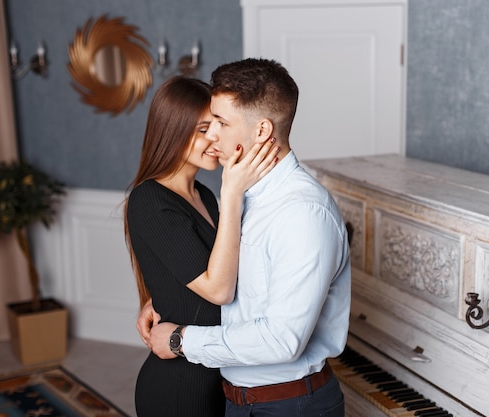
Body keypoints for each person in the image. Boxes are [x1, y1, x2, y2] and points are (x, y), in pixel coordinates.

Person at [138, 58, 352, 417]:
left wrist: (180, 340)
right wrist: (166, 298)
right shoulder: (242, 193)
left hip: (289, 406)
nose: (212, 135)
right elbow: (231, 283)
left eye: (221, 122)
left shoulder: (301, 213)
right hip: (237, 399)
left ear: (262, 130)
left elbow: (280, 340)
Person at [124, 75, 279, 417]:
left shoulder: (204, 195)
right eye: (201, 129)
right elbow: (220, 290)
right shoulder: (149, 199)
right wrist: (234, 192)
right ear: (172, 131)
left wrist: (165, 294)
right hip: (180, 386)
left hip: (219, 373)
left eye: (218, 126)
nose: (215, 138)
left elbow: (223, 268)